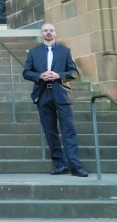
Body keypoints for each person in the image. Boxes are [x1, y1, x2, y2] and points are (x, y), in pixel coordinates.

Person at [23, 23, 87, 177]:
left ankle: (75, 166)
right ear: (41, 34)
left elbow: (74, 72)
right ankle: (59, 165)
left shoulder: (65, 51)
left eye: (51, 30)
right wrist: (39, 76)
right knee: (50, 131)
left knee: (68, 130)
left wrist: (59, 75)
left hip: (62, 94)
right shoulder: (34, 52)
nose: (48, 33)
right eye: (45, 31)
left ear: (55, 34)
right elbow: (26, 72)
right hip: (43, 94)